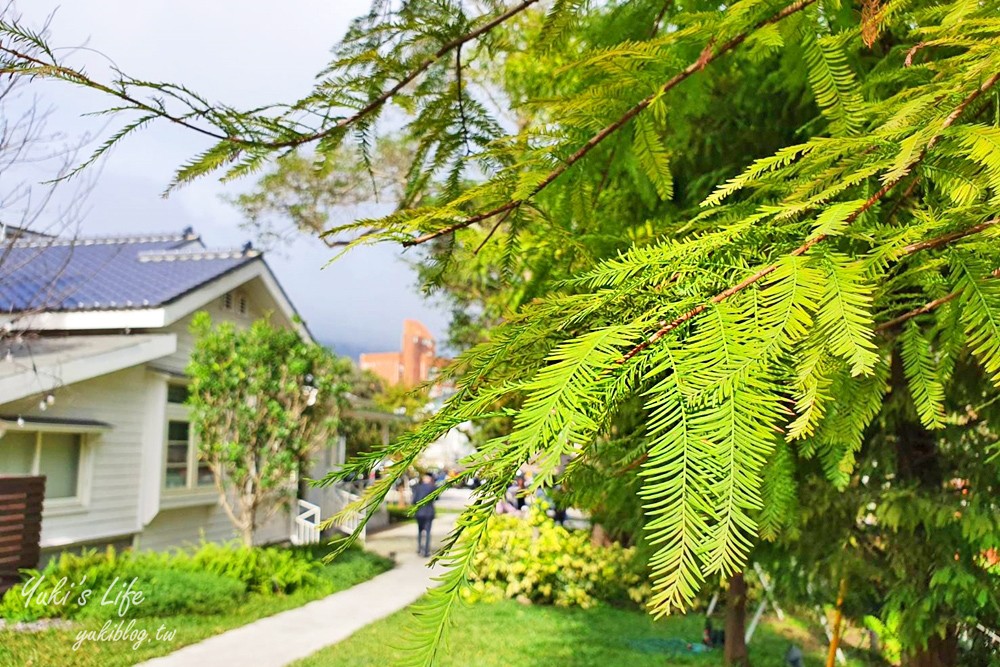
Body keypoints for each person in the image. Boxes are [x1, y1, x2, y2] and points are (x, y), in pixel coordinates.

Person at [411, 473, 437, 557]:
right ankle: (426, 551)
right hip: (429, 513)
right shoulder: (433, 487)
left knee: (419, 531)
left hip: (419, 513)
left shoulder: (417, 487)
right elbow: (437, 498)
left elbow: (414, 500)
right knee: (428, 532)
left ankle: (419, 549)